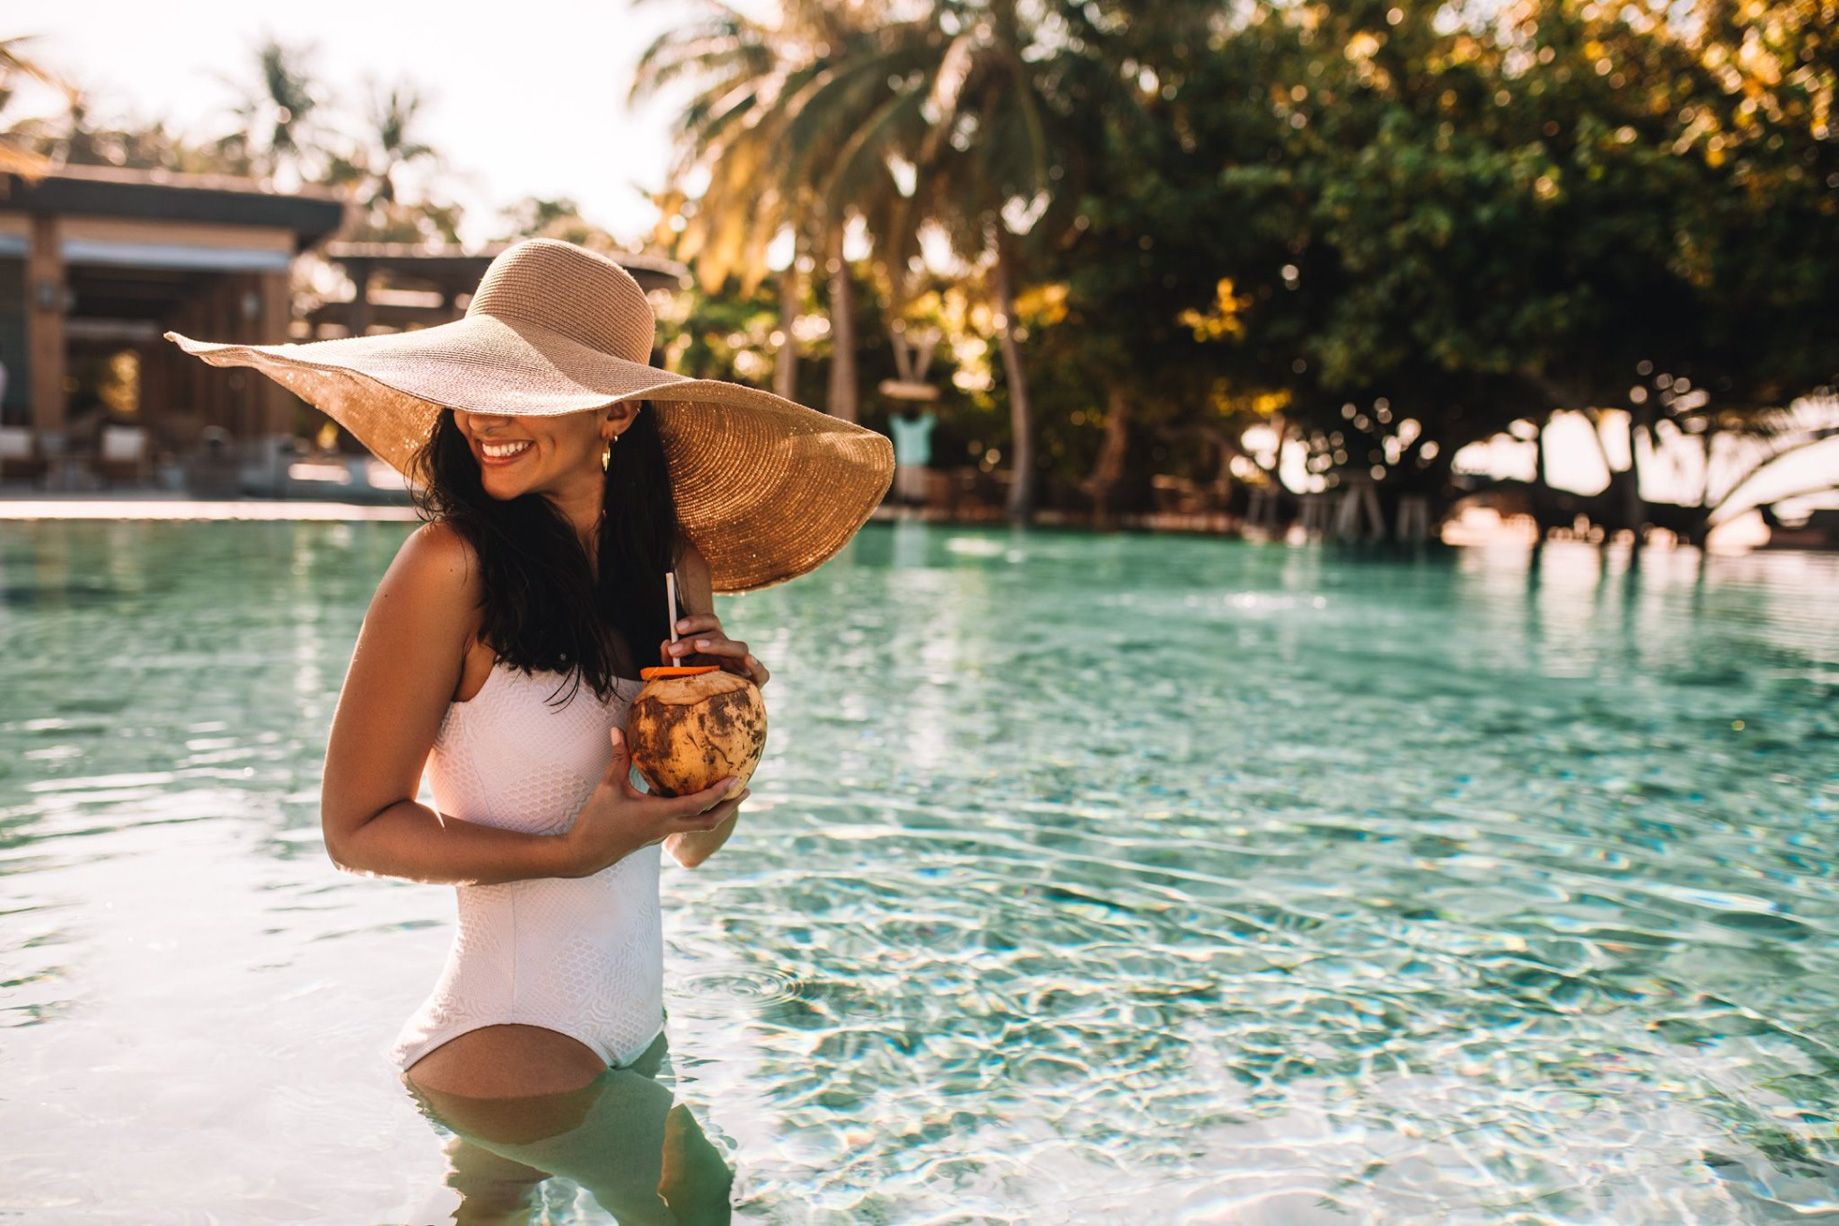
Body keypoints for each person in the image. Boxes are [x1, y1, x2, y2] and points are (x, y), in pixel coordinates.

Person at [167, 240, 893, 1216]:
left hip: (635, 1026)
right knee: (699, 1207)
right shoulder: (448, 565)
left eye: (524, 386)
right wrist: (566, 851)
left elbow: (692, 846)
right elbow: (355, 828)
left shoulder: (673, 568)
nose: (483, 417)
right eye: (472, 384)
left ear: (619, 409)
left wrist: (728, 744)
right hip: (504, 1041)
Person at [887, 404, 936, 507]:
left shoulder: (900, 426)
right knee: (918, 491)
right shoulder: (923, 425)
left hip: (905, 461)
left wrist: (897, 401)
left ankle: (905, 506)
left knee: (905, 492)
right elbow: (932, 415)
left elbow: (891, 413)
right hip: (918, 461)